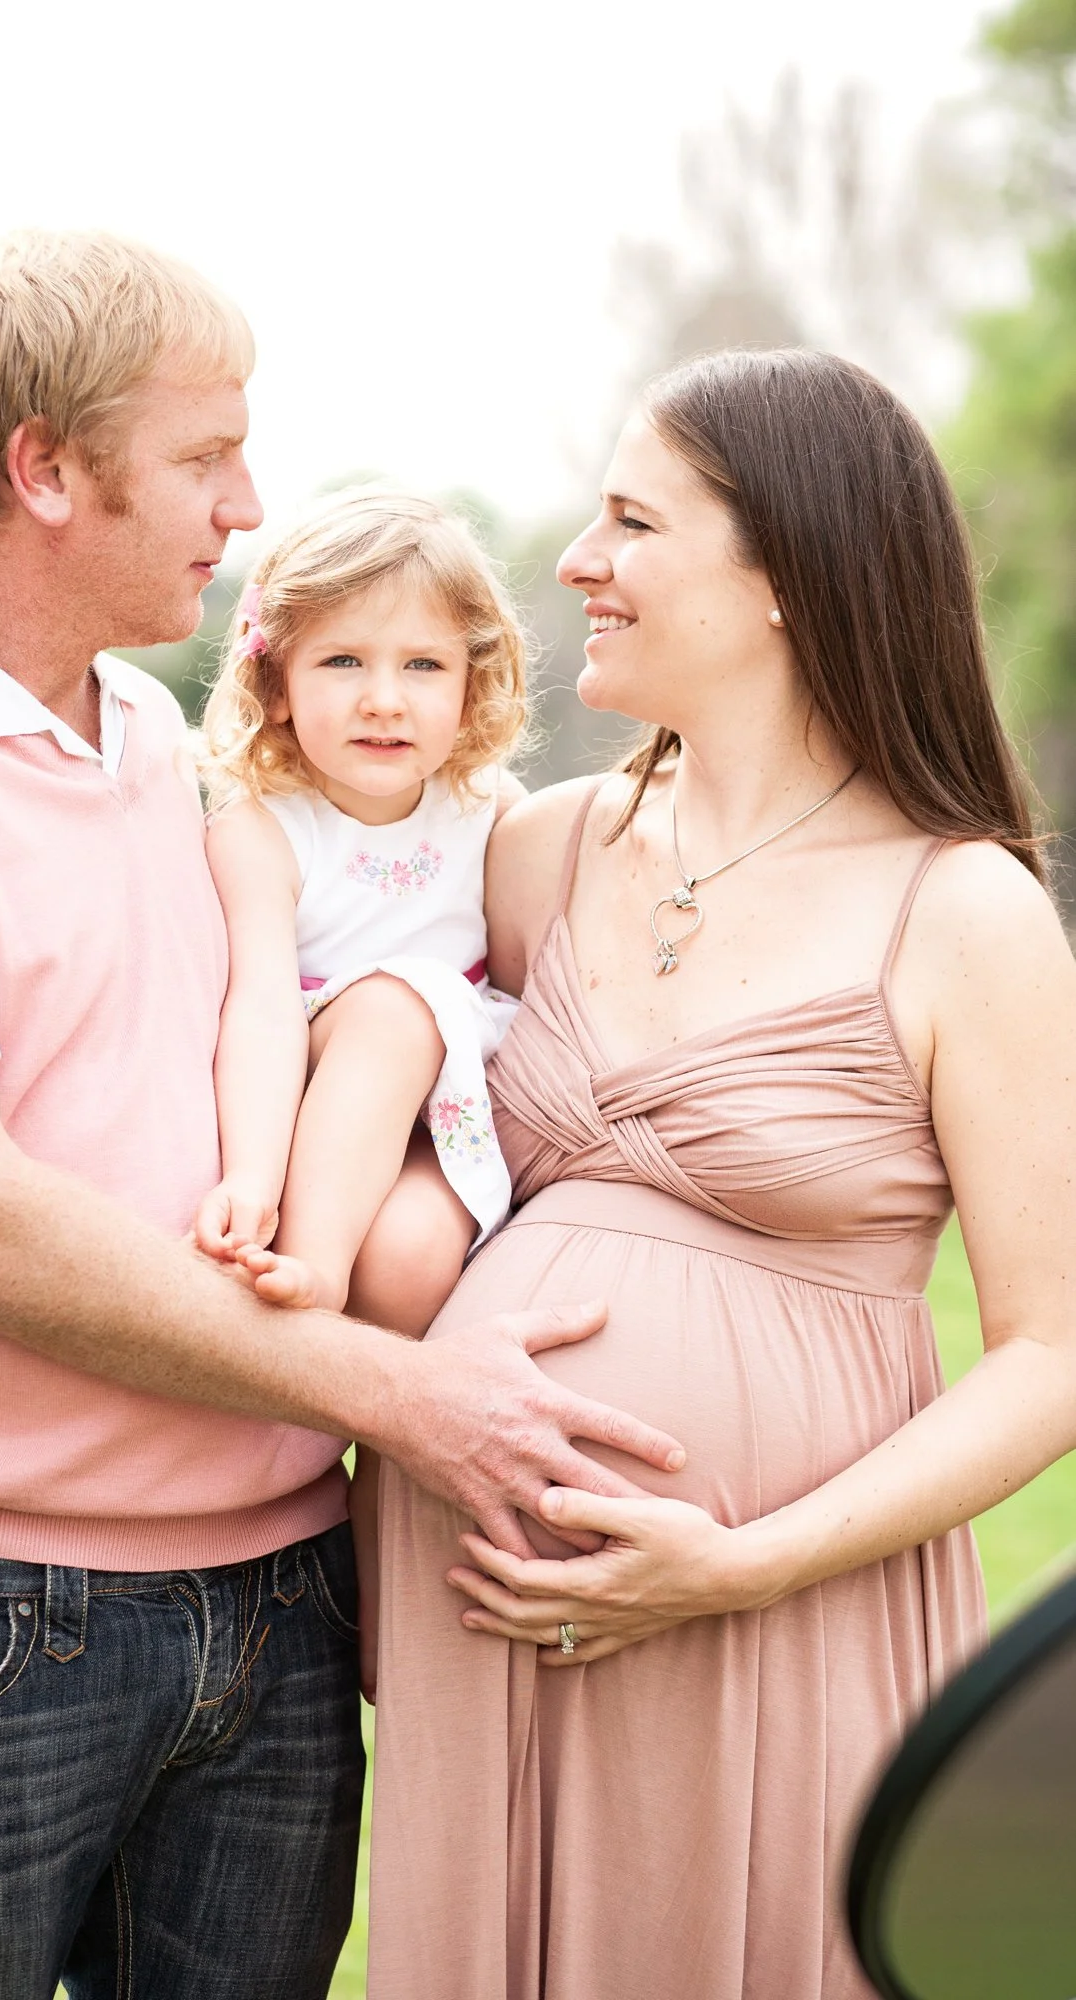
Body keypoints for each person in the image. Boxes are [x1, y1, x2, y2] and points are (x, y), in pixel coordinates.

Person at [0, 229, 686, 2000]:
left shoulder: (148, 736)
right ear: (41, 468)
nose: (244, 507)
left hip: (273, 1599)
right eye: (201, 459)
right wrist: (410, 1397)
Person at [368, 347, 1076, 2000]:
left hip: (773, 1610)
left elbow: (1050, 1357)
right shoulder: (536, 853)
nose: (573, 563)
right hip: (480, 1611)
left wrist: (737, 1562)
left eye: (629, 521)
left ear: (781, 578)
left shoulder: (958, 911)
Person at [195, 487, 531, 1695]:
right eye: (342, 659)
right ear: (275, 679)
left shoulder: (494, 818)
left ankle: (387, 1553)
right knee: (388, 1005)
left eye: (420, 663)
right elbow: (251, 1010)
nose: (383, 696)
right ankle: (311, 1274)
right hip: (325, 1091)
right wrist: (249, 1174)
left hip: (446, 1116)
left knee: (412, 1270)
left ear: (469, 686)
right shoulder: (262, 829)